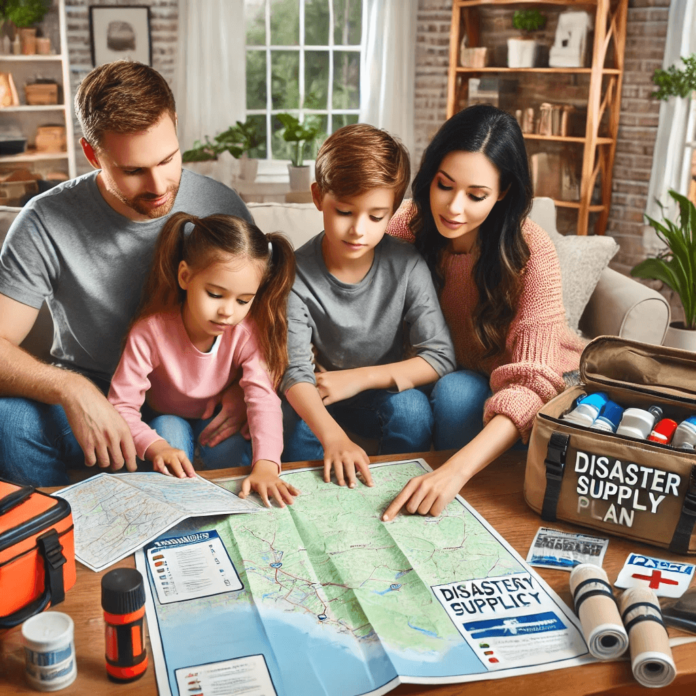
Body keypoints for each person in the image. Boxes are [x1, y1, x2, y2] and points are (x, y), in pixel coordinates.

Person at [0, 61, 251, 487]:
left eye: (168, 159)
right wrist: (71, 389)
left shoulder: (219, 203)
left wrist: (245, 385)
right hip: (98, 398)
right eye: (133, 171)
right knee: (8, 423)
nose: (158, 186)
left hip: (195, 401)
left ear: (174, 125)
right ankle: (66, 533)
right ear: (92, 154)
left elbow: (270, 313)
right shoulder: (45, 220)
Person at [382, 104, 584, 521]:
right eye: (444, 185)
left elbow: (532, 386)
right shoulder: (407, 226)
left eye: (476, 196)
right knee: (411, 405)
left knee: (459, 395)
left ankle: (462, 509)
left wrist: (452, 473)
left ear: (504, 191)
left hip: (514, 382)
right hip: (435, 370)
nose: (454, 208)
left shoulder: (532, 250)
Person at [281, 124, 456, 489]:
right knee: (294, 423)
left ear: (394, 209)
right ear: (318, 197)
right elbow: (294, 373)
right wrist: (333, 436)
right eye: (344, 211)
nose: (359, 229)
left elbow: (439, 356)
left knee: (412, 412)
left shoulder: (407, 265)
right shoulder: (294, 275)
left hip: (380, 394)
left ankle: (391, 492)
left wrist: (357, 379)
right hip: (321, 392)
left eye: (376, 216)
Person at [108, 213, 298, 507]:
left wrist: (267, 465)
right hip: (166, 419)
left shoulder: (246, 333)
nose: (228, 312)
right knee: (170, 438)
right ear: (185, 276)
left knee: (235, 454)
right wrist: (157, 448)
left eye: (243, 300)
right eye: (215, 294)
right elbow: (121, 407)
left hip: (216, 419)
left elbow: (263, 398)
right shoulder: (150, 332)